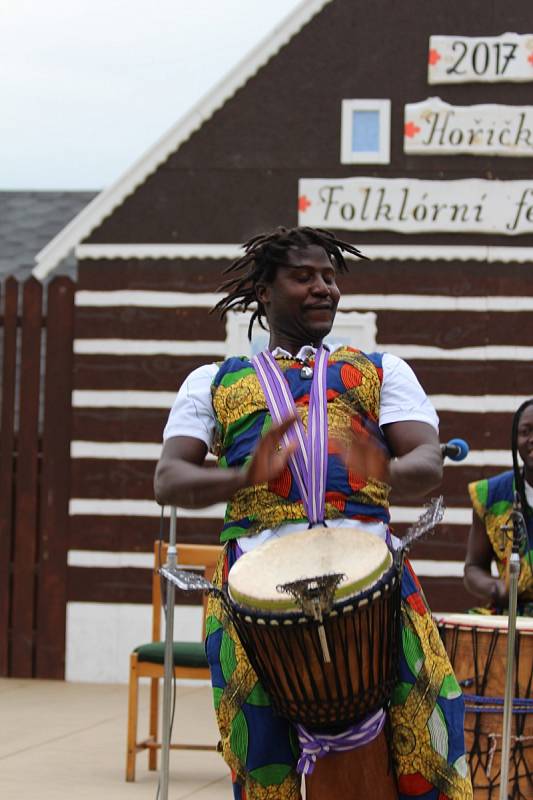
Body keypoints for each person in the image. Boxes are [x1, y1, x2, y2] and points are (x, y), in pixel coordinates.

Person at [154, 226, 472, 800]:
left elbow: (428, 460)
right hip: (253, 600)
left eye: (329, 276)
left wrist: (386, 471)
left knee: (431, 740)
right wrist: (240, 475)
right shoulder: (214, 382)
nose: (324, 287)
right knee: (261, 762)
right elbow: (168, 478)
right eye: (304, 277)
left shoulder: (380, 371)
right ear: (263, 294)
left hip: (375, 584)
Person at [464, 399, 533, 615]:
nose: (532, 439)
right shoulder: (492, 495)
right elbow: (474, 568)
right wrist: (496, 588)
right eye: (525, 431)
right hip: (511, 612)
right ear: (515, 439)